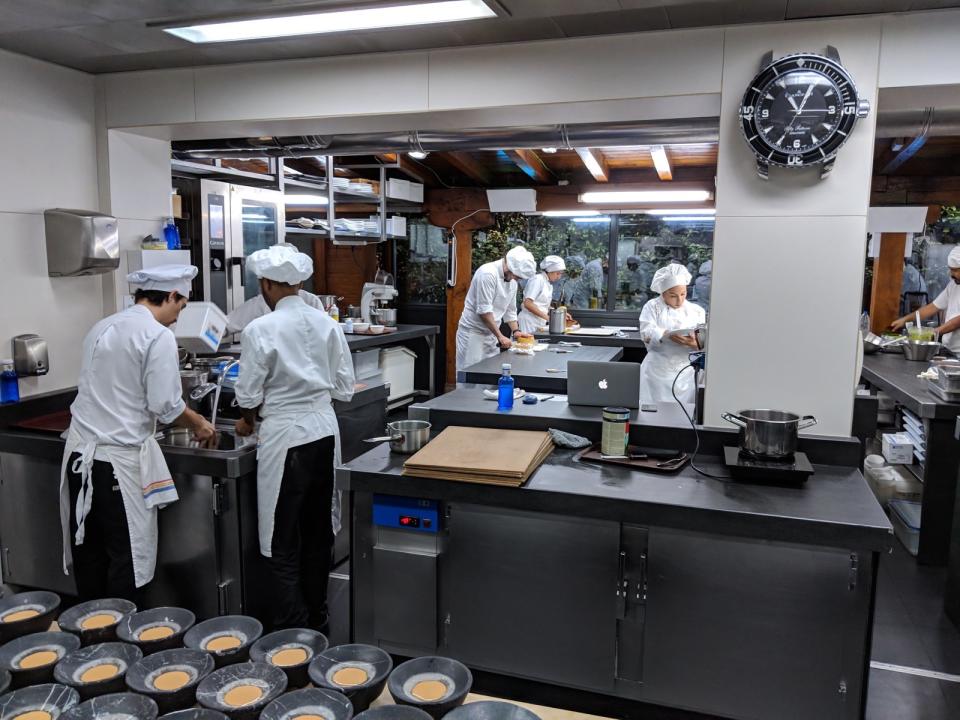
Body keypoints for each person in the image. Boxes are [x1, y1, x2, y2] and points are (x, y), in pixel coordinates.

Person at [60, 265, 217, 603]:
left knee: (90, 558)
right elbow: (166, 406)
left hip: (80, 458)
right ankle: (124, 646)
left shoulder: (103, 326)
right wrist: (200, 423)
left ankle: (92, 642)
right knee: (126, 562)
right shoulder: (157, 335)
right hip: (117, 466)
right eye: (182, 305)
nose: (179, 315)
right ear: (171, 296)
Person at [233, 245, 355, 632]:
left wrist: (247, 421)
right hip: (323, 431)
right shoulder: (326, 323)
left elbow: (248, 395)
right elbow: (345, 388)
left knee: (282, 538)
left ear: (266, 285)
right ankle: (318, 623)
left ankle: (291, 631)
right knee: (318, 533)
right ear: (300, 283)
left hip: (285, 438)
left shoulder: (260, 329)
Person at [455, 245, 537, 376]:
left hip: (492, 333)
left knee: (489, 374)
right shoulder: (487, 273)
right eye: (517, 276)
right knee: (470, 375)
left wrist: (516, 331)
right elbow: (484, 311)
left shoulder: (512, 282)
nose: (518, 279)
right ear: (509, 267)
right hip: (473, 333)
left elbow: (510, 310)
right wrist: (500, 336)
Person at [637, 263, 706, 405]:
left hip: (686, 373)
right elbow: (646, 331)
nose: (679, 300)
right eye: (673, 295)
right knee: (653, 415)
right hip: (656, 371)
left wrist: (695, 343)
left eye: (683, 294)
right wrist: (665, 334)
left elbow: (703, 341)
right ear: (663, 293)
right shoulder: (652, 306)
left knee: (684, 415)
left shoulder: (697, 311)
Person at [226, 244, 325, 333]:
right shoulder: (330, 326)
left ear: (266, 284)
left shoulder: (256, 331)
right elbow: (227, 325)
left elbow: (225, 326)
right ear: (300, 283)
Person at [891, 245, 960, 353]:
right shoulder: (953, 285)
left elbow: (957, 321)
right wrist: (905, 319)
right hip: (949, 349)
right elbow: (932, 307)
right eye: (951, 270)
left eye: (955, 270)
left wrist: (933, 332)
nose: (951, 274)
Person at [518, 255, 566, 334]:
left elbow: (542, 305)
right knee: (527, 344)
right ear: (550, 271)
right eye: (557, 273)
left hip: (538, 322)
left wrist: (558, 313)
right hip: (528, 322)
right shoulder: (537, 280)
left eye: (561, 274)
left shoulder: (546, 283)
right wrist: (549, 318)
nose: (559, 277)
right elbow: (528, 303)